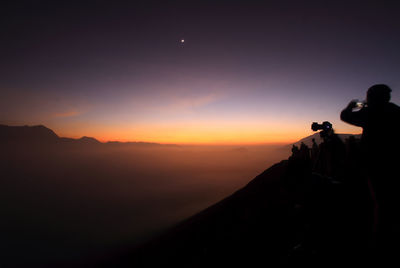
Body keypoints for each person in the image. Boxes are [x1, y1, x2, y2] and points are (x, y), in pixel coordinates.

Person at [340, 84, 400, 259]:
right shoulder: (395, 111)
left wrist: (352, 105)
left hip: (374, 163)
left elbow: (345, 116)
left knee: (381, 203)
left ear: (372, 97)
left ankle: (379, 245)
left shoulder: (371, 112)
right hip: (393, 162)